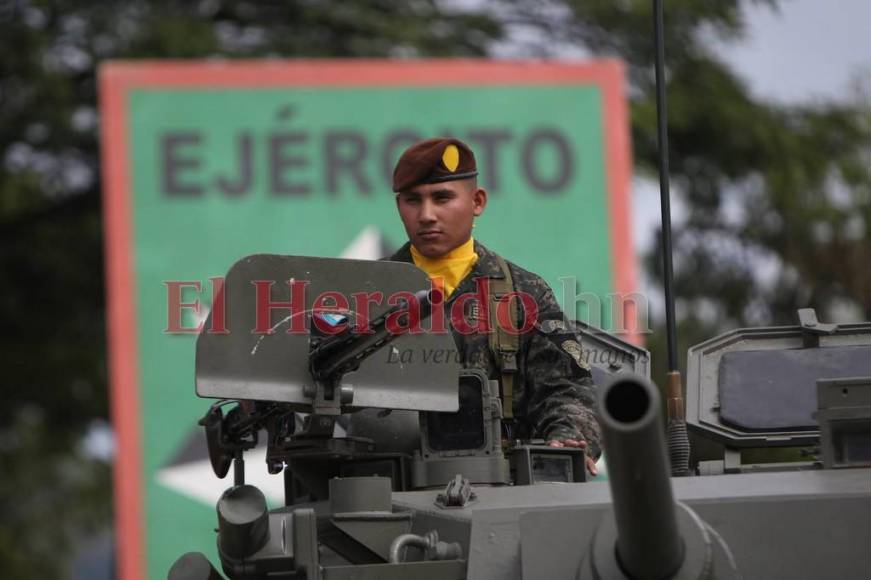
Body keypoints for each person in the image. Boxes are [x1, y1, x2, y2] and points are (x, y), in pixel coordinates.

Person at [388, 137, 600, 475]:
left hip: (501, 486)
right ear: (399, 206)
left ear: (477, 201)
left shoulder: (525, 294)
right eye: (413, 200)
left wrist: (567, 436)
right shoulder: (370, 294)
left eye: (442, 198)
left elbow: (568, 389)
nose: (426, 215)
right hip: (391, 487)